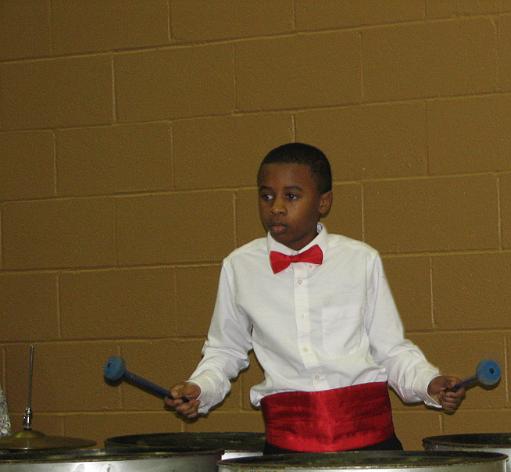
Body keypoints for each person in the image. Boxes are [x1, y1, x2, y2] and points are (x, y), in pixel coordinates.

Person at [165, 142, 466, 453]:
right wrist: (199, 389)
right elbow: (225, 350)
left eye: (291, 196)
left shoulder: (360, 259)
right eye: (266, 196)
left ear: (324, 202)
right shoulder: (239, 266)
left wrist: (429, 382)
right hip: (288, 444)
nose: (276, 207)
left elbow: (390, 350)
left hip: (369, 442)